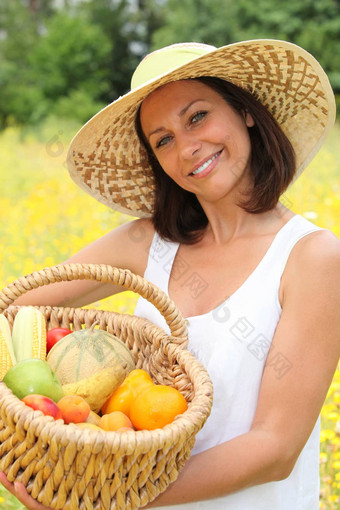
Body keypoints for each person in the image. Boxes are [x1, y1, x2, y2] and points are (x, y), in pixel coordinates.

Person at [0, 39, 339, 510]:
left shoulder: (311, 258)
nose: (187, 147)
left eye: (197, 116)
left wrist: (106, 500)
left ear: (245, 111)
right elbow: (13, 308)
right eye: (163, 140)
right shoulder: (147, 241)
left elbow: (274, 449)